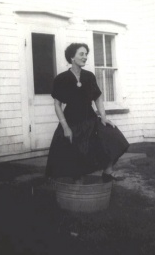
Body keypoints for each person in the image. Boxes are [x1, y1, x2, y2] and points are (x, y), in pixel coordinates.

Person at [46, 43, 129, 182]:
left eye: (86, 54)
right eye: (81, 54)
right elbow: (57, 104)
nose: (85, 57)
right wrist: (65, 127)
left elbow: (97, 97)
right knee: (74, 156)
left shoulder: (89, 76)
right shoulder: (62, 78)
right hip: (71, 122)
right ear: (72, 57)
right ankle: (76, 186)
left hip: (90, 119)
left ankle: (108, 171)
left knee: (114, 137)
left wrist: (103, 117)